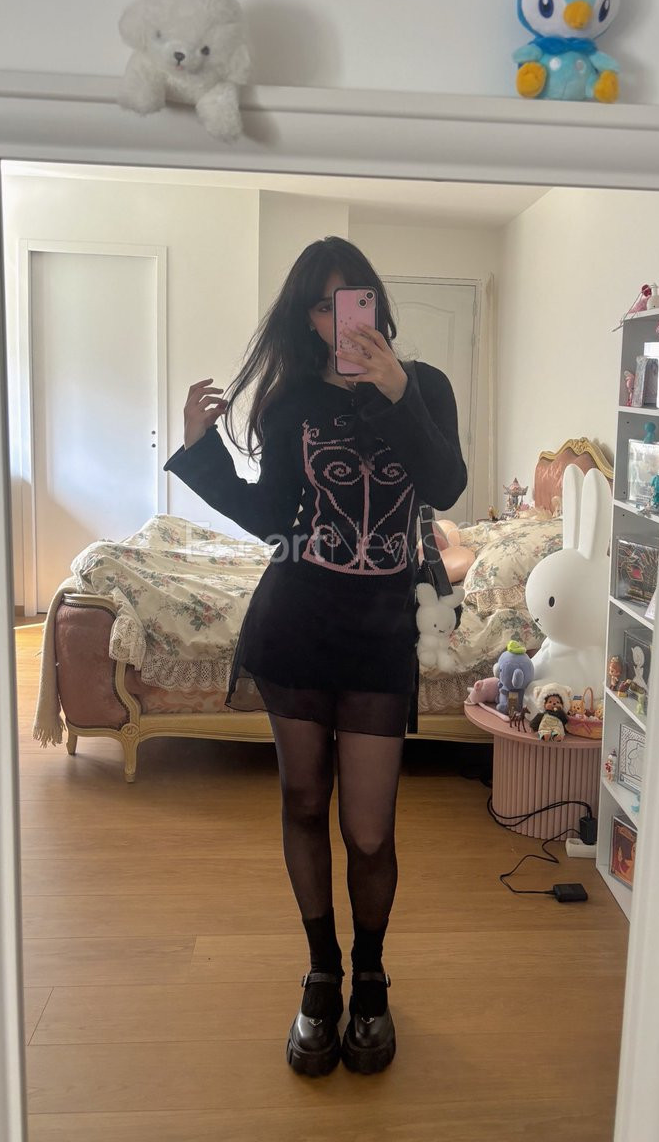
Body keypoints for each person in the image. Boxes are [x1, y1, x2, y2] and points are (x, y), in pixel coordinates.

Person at [164, 236, 467, 1077]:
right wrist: (201, 448)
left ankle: (372, 975)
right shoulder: (291, 400)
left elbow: (444, 485)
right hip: (295, 624)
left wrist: (397, 391)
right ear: (309, 318)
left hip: (379, 636)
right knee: (303, 802)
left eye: (355, 297)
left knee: (369, 831)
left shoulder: (426, 385)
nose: (344, 316)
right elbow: (271, 518)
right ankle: (322, 973)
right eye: (326, 304)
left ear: (376, 303)